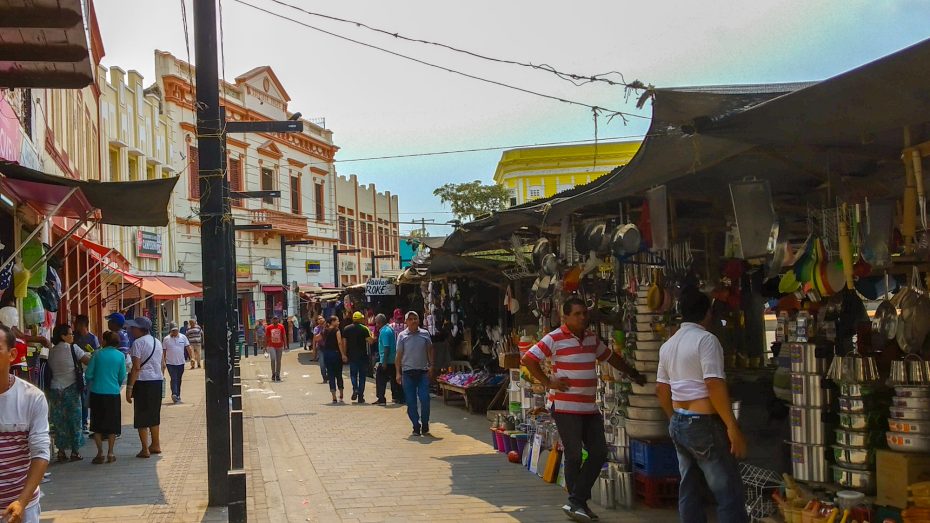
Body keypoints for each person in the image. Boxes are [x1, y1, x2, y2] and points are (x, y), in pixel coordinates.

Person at [522, 296, 647, 522]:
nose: (582, 318)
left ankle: (576, 501)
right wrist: (549, 382)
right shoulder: (554, 338)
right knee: (574, 454)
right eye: (577, 314)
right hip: (565, 406)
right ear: (565, 317)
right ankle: (577, 501)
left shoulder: (591, 339)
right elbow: (529, 358)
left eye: (584, 314)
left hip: (588, 407)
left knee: (599, 452)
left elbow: (611, 357)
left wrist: (633, 373)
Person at [656, 288, 747, 523]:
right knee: (728, 492)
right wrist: (732, 426)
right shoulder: (706, 340)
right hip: (703, 423)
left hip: (679, 419)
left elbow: (661, 390)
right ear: (707, 313)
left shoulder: (668, 345)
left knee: (689, 490)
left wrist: (673, 419)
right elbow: (714, 384)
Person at [0, 324, 50, 523]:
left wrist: (21, 501)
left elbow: (40, 453)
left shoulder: (31, 398)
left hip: (20, 507)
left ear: (12, 355)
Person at [47, 324, 91, 463]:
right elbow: (87, 361)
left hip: (55, 389)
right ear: (63, 336)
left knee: (59, 421)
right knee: (75, 419)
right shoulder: (73, 348)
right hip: (71, 388)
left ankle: (60, 451)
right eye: (70, 334)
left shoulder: (52, 351)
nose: (72, 336)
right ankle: (75, 451)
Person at [84, 331, 126, 465]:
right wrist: (115, 385)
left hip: (97, 392)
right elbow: (122, 376)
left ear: (105, 341)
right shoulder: (120, 356)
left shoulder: (97, 354)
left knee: (97, 425)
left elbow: (88, 374)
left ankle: (100, 453)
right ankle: (111, 452)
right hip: (113, 393)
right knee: (112, 424)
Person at [125, 317, 165, 459]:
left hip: (142, 382)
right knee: (154, 415)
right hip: (157, 381)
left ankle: (144, 449)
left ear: (141, 329)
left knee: (141, 415)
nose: (131, 330)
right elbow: (163, 365)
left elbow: (136, 368)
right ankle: (155, 444)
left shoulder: (137, 343)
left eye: (134, 328)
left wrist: (129, 388)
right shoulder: (157, 342)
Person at [395, 311, 434, 436]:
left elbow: (429, 351)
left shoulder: (425, 334)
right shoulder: (402, 336)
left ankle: (425, 423)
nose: (413, 321)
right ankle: (416, 425)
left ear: (419, 320)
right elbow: (399, 355)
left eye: (415, 318)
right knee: (411, 402)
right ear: (406, 322)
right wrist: (398, 373)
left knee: (425, 399)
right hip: (408, 373)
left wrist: (431, 366)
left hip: (423, 373)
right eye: (410, 319)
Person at [73, 314, 98, 434]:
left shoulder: (93, 338)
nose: (74, 326)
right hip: (76, 371)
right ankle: (81, 422)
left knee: (87, 397)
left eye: (76, 323)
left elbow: (96, 354)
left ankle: (85, 422)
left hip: (88, 371)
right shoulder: (73, 337)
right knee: (80, 397)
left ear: (82, 325)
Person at [342, 311, 374, 404]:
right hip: (362, 356)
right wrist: (371, 334)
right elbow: (370, 341)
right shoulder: (364, 329)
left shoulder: (346, 329)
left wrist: (344, 354)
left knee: (353, 374)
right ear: (360, 319)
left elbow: (344, 343)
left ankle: (355, 388)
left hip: (352, 356)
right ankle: (360, 396)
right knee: (362, 376)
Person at [374, 313, 403, 405]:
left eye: (376, 323)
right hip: (392, 359)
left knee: (380, 379)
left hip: (387, 360)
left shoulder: (384, 332)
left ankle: (381, 398)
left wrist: (384, 362)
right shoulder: (389, 329)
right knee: (394, 379)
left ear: (379, 322)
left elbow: (386, 347)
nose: (376, 325)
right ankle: (398, 397)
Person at [162, 323, 190, 404]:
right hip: (170, 363)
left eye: (176, 330)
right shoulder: (166, 339)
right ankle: (174, 394)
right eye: (173, 331)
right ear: (170, 331)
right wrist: (163, 361)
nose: (175, 332)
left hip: (181, 362)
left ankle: (178, 395)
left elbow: (188, 347)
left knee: (179, 379)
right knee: (174, 378)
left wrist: (192, 358)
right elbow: (163, 351)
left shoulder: (183, 337)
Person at [321, 316, 346, 403]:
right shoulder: (337, 331)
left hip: (327, 354)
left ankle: (334, 396)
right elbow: (339, 342)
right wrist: (343, 354)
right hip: (336, 354)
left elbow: (318, 338)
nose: (338, 323)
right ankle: (341, 393)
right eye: (337, 321)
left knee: (331, 375)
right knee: (338, 374)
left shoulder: (325, 331)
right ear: (332, 322)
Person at [264, 317, 287, 382]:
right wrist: (265, 347)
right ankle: (273, 373)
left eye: (276, 319)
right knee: (273, 359)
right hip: (271, 346)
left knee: (278, 361)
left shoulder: (281, 326)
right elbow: (266, 337)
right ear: (272, 320)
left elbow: (284, 335)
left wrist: (285, 345)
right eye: (274, 319)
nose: (275, 320)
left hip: (280, 346)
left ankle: (278, 374)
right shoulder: (269, 328)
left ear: (278, 320)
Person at [312, 316, 328, 383]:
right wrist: (314, 350)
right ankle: (324, 377)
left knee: (329, 363)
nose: (320, 320)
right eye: (318, 319)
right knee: (322, 364)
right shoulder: (316, 328)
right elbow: (315, 338)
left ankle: (329, 376)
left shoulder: (328, 327)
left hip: (329, 347)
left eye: (321, 318)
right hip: (321, 348)